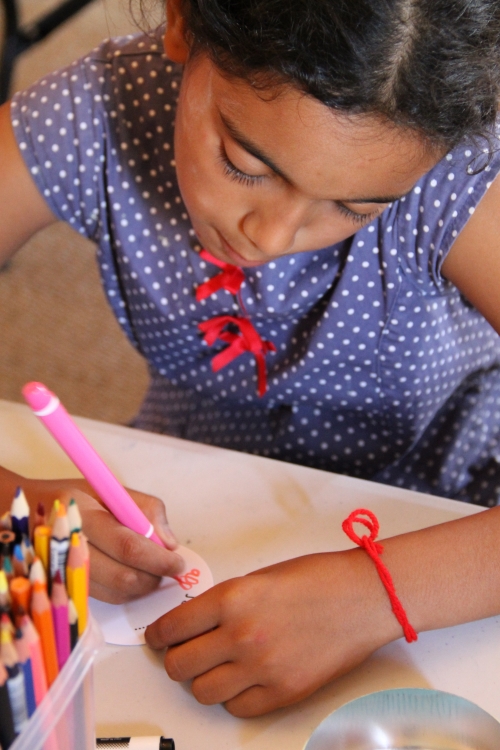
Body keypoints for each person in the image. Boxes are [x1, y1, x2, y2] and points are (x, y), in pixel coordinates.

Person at [2, 0, 500, 718]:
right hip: (198, 485)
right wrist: (9, 505)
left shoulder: (461, 177)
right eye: (244, 164)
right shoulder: (98, 112)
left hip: (447, 501)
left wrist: (379, 594)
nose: (272, 236)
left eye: (357, 209)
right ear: (180, 21)